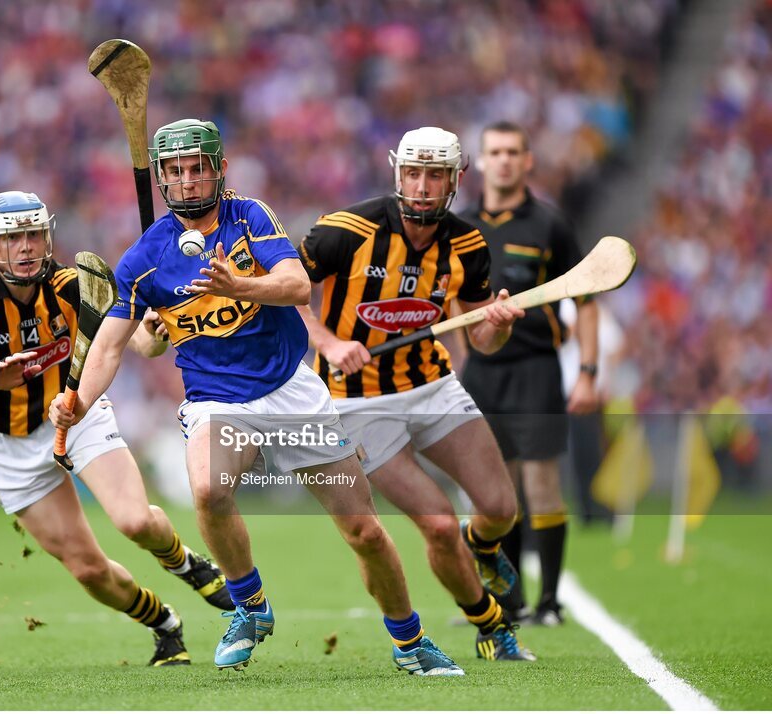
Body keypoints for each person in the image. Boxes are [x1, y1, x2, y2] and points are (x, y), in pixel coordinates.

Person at [49, 119, 464, 676]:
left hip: (292, 390)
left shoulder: (251, 217)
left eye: (198, 168)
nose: (188, 180)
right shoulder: (142, 261)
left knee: (363, 529)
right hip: (218, 400)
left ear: (220, 170)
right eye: (175, 171)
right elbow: (110, 350)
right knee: (209, 487)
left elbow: (296, 286)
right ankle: (250, 605)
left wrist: (238, 287)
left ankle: (410, 641)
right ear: (163, 180)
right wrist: (75, 399)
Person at [0, 190, 233, 667]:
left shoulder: (71, 285)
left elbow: (140, 344)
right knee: (87, 569)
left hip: (75, 411)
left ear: (48, 236)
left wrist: (154, 329)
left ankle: (185, 563)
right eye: (13, 238)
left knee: (135, 521)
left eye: (34, 235)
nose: (25, 247)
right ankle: (165, 623)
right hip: (6, 444)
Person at [296, 126, 535, 661]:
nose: (423, 186)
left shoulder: (467, 243)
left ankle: (484, 545)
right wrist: (330, 343)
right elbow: (287, 291)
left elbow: (481, 338)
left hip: (432, 386)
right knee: (439, 524)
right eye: (413, 173)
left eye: (435, 175)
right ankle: (490, 625)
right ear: (396, 172)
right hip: (356, 403)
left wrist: (497, 321)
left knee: (499, 509)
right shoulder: (344, 230)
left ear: (455, 179)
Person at [458, 121, 600, 625]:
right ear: (480, 160)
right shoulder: (461, 224)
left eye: (512, 151)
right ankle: (510, 601)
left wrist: (586, 372)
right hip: (480, 372)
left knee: (541, 487)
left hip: (537, 368)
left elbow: (585, 301)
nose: (503, 160)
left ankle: (550, 602)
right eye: (494, 151)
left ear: (527, 160)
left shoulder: (550, 225)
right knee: (497, 492)